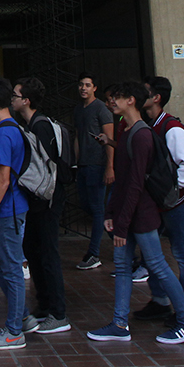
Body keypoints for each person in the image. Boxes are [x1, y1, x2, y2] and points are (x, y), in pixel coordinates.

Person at [85, 80, 184, 345]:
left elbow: (135, 184)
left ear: (131, 100)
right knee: (125, 267)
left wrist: (121, 222)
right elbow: (124, 181)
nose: (112, 101)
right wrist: (113, 213)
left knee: (158, 265)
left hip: (141, 215)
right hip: (131, 214)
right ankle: (119, 323)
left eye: (117, 97)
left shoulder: (141, 135)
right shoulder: (129, 131)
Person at [136, 77, 184, 326]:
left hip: (173, 202)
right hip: (159, 200)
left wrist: (175, 191)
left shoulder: (171, 127)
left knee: (180, 251)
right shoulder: (151, 125)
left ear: (156, 98)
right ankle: (160, 301)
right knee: (152, 252)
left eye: (145, 92)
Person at [11, 77, 69, 334]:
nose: (12, 100)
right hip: (39, 200)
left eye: (15, 95)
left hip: (47, 200)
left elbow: (45, 167)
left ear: (26, 100)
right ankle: (45, 305)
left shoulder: (40, 126)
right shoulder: (33, 124)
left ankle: (58, 313)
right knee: (34, 250)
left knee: (47, 254)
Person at [0, 78, 30, 349]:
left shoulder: (2, 133)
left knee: (11, 269)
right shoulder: (14, 128)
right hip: (12, 208)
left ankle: (14, 331)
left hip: (8, 211)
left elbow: (3, 179)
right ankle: (22, 314)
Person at [74, 74, 114, 270]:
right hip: (83, 165)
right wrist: (75, 162)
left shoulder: (101, 109)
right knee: (90, 207)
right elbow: (77, 136)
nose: (84, 88)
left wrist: (109, 166)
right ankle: (117, 236)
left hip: (97, 165)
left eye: (88, 85)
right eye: (81, 85)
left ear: (94, 88)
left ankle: (94, 253)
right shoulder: (78, 109)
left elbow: (110, 139)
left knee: (98, 210)